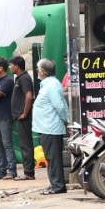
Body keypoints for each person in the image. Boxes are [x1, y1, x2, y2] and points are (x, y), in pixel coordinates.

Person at [32, 59, 70, 195]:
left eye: (38, 68)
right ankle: (55, 183)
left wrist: (66, 120)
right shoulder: (47, 84)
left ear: (42, 71)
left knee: (53, 158)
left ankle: (58, 186)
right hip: (45, 127)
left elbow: (60, 105)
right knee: (50, 157)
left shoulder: (52, 85)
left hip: (51, 127)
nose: (37, 71)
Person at [10, 56, 36, 180]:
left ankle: (29, 172)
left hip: (23, 117)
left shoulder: (24, 78)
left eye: (11, 65)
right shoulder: (19, 78)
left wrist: (25, 113)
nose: (10, 67)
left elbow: (29, 96)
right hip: (19, 116)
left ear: (17, 66)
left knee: (26, 145)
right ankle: (28, 171)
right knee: (24, 144)